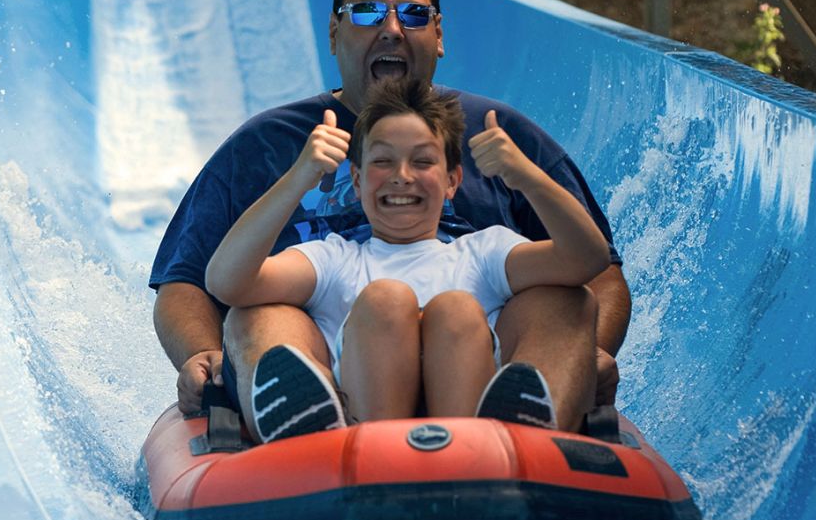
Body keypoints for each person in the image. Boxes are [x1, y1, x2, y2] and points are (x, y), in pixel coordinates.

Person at [151, 0, 631, 433]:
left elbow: (595, 270)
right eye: (367, 12)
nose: (392, 29)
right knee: (259, 312)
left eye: (414, 14)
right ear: (335, 32)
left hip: (480, 356)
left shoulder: (500, 141)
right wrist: (202, 356)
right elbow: (191, 279)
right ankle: (308, 423)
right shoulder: (269, 151)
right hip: (331, 348)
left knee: (564, 301)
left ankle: (529, 419)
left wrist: (588, 355)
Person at [205, 77, 611, 441]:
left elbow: (586, 260)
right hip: (359, 434)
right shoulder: (335, 260)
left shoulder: (484, 252)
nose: (402, 175)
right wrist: (299, 178)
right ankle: (331, 434)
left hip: (473, 432)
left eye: (422, 161)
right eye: (382, 161)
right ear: (358, 181)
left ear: (452, 181)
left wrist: (527, 177)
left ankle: (503, 439)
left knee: (462, 309)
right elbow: (227, 282)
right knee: (385, 301)